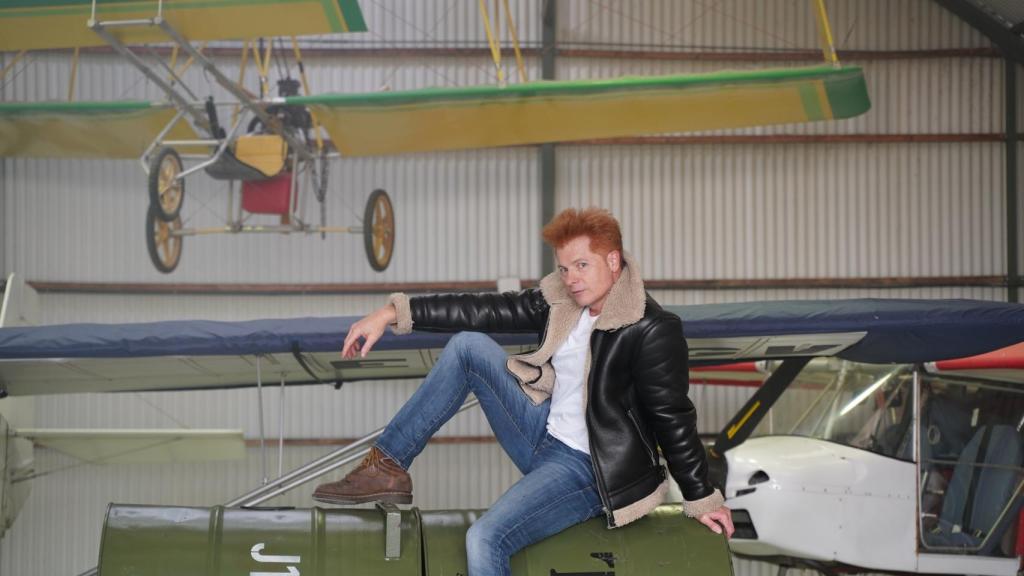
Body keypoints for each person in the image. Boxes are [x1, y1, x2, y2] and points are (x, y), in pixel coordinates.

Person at [313, 207, 733, 575]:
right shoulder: (565, 304)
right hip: (542, 434)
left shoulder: (652, 329)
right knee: (467, 346)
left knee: (485, 540)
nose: (571, 280)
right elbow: (484, 310)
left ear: (613, 260)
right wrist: (392, 312)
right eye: (564, 269)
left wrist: (702, 498)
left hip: (589, 470)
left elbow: (672, 416)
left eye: (582, 266)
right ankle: (386, 466)